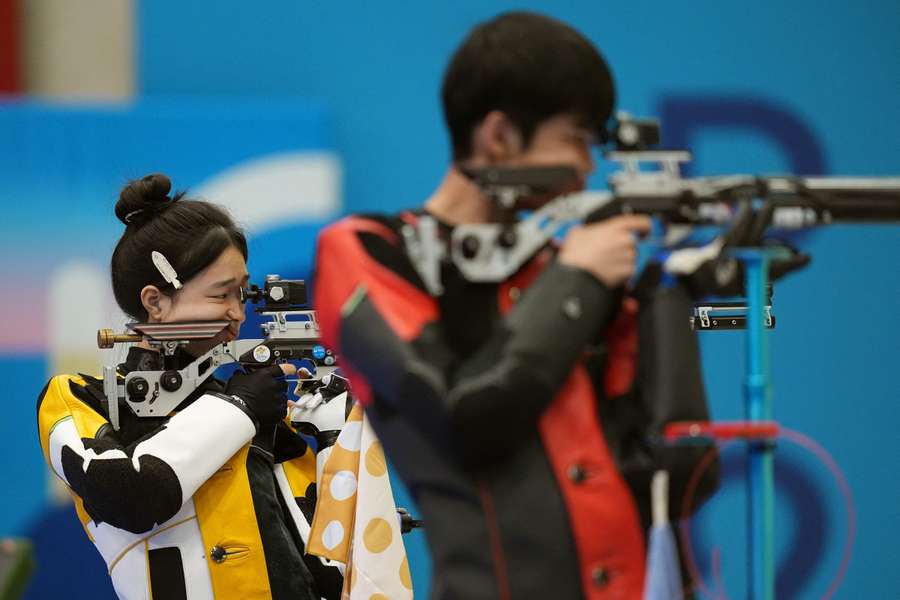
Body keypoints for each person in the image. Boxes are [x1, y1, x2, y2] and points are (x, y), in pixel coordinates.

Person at [313, 12, 719, 599]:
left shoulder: (560, 269)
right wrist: (577, 279)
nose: (586, 168)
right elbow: (462, 421)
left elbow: (680, 478)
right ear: (499, 135)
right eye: (577, 138)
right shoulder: (369, 250)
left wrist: (667, 297)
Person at [36, 174, 342, 600]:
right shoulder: (79, 397)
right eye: (221, 296)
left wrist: (334, 438)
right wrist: (239, 409)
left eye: (243, 293)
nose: (238, 314)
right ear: (155, 302)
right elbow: (132, 495)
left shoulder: (253, 403)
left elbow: (325, 551)